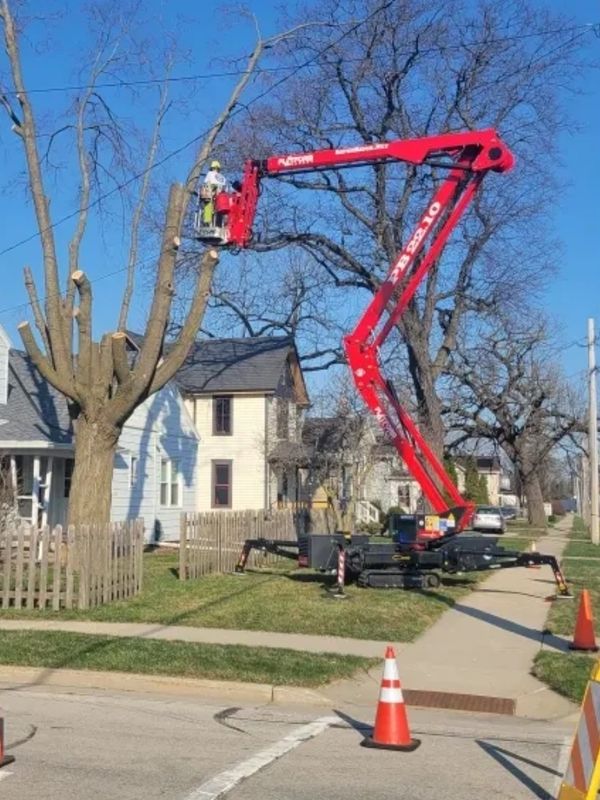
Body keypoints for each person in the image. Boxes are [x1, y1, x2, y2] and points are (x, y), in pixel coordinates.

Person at [202, 160, 227, 226]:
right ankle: (218, 224)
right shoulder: (223, 177)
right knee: (219, 208)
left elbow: (206, 183)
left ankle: (207, 221)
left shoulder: (209, 173)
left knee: (208, 204)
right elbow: (224, 186)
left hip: (211, 189)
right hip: (220, 193)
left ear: (212, 168)